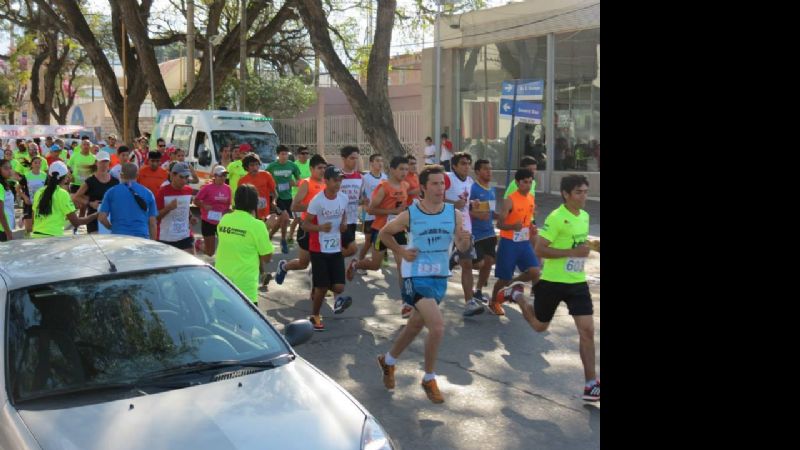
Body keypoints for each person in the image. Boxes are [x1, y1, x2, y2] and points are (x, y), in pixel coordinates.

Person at [375, 164, 472, 404]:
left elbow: (461, 248)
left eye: (442, 183)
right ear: (424, 187)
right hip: (414, 276)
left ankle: (388, 361)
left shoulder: (454, 214)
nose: (441, 188)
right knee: (437, 326)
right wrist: (400, 251)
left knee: (415, 326)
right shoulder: (412, 213)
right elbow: (384, 234)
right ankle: (429, 377)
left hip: (439, 276)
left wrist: (463, 243)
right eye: (435, 184)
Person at [498, 175, 599, 402]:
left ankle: (591, 383)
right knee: (539, 327)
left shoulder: (584, 216)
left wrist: (590, 247)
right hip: (553, 282)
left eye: (585, 191)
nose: (584, 196)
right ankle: (518, 296)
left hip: (577, 283)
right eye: (579, 192)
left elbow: (577, 243)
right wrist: (572, 253)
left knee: (587, 331)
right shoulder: (556, 218)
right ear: (566, 194)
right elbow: (539, 250)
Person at [347, 156, 409, 315]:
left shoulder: (405, 186)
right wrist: (392, 212)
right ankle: (356, 264)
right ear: (392, 170)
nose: (404, 172)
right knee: (375, 265)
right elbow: (370, 210)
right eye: (401, 169)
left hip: (399, 230)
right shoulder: (384, 187)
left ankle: (406, 303)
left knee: (403, 267)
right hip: (381, 230)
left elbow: (402, 208)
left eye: (406, 169)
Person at [302, 165, 353, 331]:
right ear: (326, 181)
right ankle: (315, 315)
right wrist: (320, 228)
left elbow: (343, 213)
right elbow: (305, 224)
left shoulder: (343, 198)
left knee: (339, 287)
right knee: (323, 287)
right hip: (318, 248)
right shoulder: (317, 201)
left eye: (340, 180)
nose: (338, 184)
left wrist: (344, 223)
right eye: (335, 180)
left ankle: (319, 288)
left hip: (335, 246)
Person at [487, 168, 541, 316]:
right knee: (503, 278)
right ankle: (493, 302)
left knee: (535, 271)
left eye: (530, 182)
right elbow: (499, 224)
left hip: (523, 242)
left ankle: (511, 286)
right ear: (517, 182)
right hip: (509, 243)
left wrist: (532, 227)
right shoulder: (509, 200)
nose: (528, 185)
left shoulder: (530, 198)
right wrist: (512, 226)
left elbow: (527, 220)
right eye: (525, 182)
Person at [215, 184, 275, 305]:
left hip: (221, 285)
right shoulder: (258, 225)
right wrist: (268, 228)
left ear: (235, 200)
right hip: (244, 289)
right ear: (255, 203)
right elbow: (267, 257)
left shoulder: (224, 219)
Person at [275, 154, 327, 285]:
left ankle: (318, 286)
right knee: (303, 263)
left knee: (322, 258)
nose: (322, 171)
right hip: (307, 228)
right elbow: (294, 206)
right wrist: (313, 207)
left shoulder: (326, 184)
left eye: (324, 168)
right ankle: (284, 267)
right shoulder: (307, 183)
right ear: (311, 169)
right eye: (319, 168)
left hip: (321, 228)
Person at [444, 152, 484, 317]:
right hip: (444, 227)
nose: (466, 166)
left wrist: (475, 205)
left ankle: (469, 302)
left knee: (467, 264)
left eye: (468, 163)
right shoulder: (446, 178)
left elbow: (471, 205)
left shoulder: (470, 182)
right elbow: (430, 197)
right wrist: (453, 204)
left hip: (464, 228)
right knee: (437, 269)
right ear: (454, 166)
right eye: (463, 163)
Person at [31, 161, 97, 238]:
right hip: (53, 237)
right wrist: (96, 215)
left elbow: (34, 218)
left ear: (49, 176)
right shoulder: (62, 194)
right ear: (65, 178)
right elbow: (76, 222)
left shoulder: (39, 192)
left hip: (35, 236)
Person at [98, 163, 158, 239]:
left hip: (119, 237)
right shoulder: (148, 193)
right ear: (137, 175)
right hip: (141, 237)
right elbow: (152, 223)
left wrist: (111, 227)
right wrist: (153, 244)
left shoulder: (111, 192)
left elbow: (102, 218)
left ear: (121, 175)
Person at [469, 158, 498, 305]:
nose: (489, 171)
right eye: (486, 169)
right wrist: (478, 215)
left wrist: (504, 216)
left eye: (490, 168)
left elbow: (491, 211)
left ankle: (478, 290)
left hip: (489, 232)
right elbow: (467, 211)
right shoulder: (473, 188)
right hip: (476, 233)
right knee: (478, 264)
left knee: (489, 262)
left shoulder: (491, 189)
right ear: (477, 171)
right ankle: (459, 260)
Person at [73, 151, 119, 234]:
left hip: (111, 218)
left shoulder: (115, 181)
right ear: (96, 163)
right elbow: (76, 197)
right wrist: (90, 203)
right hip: (94, 219)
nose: (104, 164)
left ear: (109, 162)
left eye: (106, 161)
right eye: (101, 162)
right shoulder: (90, 181)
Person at [155, 162, 197, 253]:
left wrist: (191, 217)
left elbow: (186, 208)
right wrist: (168, 208)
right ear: (173, 175)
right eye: (181, 177)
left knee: (190, 265)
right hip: (166, 238)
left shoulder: (188, 190)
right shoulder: (162, 192)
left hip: (185, 235)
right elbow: (155, 217)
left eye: (186, 177)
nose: (184, 181)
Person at [266, 144, 301, 254]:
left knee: (283, 220)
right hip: (277, 197)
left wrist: (294, 183)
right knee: (285, 217)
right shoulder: (272, 166)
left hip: (288, 197)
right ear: (278, 155)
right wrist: (272, 190)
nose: (284, 156)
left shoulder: (292, 166)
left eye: (286, 154)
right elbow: (265, 179)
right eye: (282, 154)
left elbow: (299, 181)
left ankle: (270, 235)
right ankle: (283, 240)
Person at [238, 153, 282, 235]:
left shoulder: (266, 175)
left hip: (265, 212)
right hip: (250, 214)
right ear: (246, 167)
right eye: (251, 165)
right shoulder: (242, 181)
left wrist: (274, 202)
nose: (255, 167)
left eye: (256, 164)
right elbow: (241, 200)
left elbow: (274, 192)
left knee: (264, 234)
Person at [194, 165, 232, 256]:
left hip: (221, 222)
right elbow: (195, 200)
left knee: (225, 248)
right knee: (210, 252)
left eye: (224, 175)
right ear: (215, 176)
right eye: (221, 175)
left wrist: (230, 211)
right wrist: (204, 205)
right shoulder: (207, 188)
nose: (223, 178)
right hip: (208, 221)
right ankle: (199, 244)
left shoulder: (227, 188)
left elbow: (228, 205)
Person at [355, 154, 387, 263]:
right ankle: (360, 260)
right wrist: (364, 204)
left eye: (381, 161)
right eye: (377, 160)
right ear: (371, 163)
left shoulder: (385, 177)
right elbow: (361, 195)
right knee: (368, 241)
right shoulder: (365, 178)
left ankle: (382, 258)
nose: (380, 163)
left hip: (382, 214)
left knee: (382, 238)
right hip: (369, 215)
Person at [337, 146, 364, 261]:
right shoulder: (337, 176)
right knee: (352, 249)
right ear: (343, 159)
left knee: (342, 248)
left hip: (353, 220)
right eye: (352, 158)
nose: (355, 161)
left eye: (356, 158)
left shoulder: (360, 177)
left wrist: (363, 201)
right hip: (339, 220)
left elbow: (359, 199)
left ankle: (326, 264)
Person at [17, 156, 48, 235]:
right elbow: (17, 188)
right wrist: (24, 197)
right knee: (29, 229)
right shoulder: (27, 175)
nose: (38, 164)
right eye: (35, 163)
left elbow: (48, 190)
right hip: (29, 203)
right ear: (32, 165)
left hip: (40, 204)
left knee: (38, 227)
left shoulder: (44, 176)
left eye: (39, 163)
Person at [287, 146, 312, 242]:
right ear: (298, 155)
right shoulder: (294, 165)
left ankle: (306, 237)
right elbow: (292, 182)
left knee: (308, 217)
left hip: (310, 196)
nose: (305, 155)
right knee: (297, 219)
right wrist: (305, 184)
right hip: (297, 196)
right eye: (303, 153)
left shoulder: (311, 164)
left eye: (307, 153)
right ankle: (290, 236)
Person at [0, 159, 14, 241]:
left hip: (6, 227)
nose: (9, 171)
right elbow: (0, 212)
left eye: (10, 168)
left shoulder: (5, 184)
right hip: (2, 229)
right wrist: (8, 232)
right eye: (5, 168)